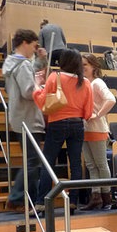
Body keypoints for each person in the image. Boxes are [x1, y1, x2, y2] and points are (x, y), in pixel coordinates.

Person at [33, 49, 94, 214]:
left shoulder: (55, 77)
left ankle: (41, 202)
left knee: (48, 163)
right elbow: (88, 113)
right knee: (75, 164)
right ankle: (73, 201)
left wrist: (37, 85)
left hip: (57, 123)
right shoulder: (86, 82)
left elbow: (42, 101)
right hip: (77, 125)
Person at [2, 29, 47, 212]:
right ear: (25, 43)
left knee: (31, 162)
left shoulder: (11, 63)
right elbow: (29, 91)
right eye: (34, 45)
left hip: (19, 116)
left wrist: (40, 61)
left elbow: (29, 70)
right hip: (28, 119)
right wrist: (44, 88)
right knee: (32, 163)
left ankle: (25, 199)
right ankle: (18, 198)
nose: (35, 49)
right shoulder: (23, 65)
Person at [79, 54, 117, 210]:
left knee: (101, 165)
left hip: (97, 129)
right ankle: (96, 197)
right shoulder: (85, 83)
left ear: (94, 66)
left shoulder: (97, 83)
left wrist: (98, 114)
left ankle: (106, 197)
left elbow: (111, 99)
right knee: (91, 165)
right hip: (85, 129)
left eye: (85, 64)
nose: (82, 67)